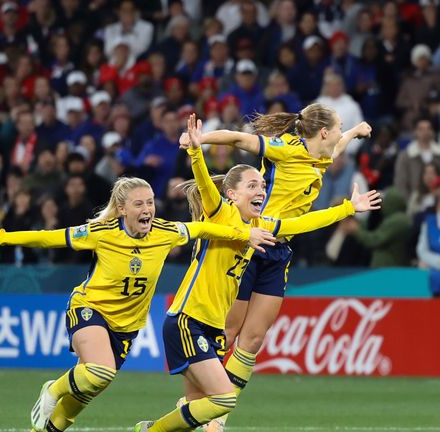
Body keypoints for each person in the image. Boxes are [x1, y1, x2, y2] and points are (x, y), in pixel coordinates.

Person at [133, 115, 381, 432]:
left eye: (261, 184)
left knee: (253, 339)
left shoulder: (323, 155)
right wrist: (199, 142)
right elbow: (238, 140)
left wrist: (357, 135)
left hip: (276, 245)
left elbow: (302, 222)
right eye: (255, 185)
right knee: (229, 332)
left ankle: (215, 416)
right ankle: (204, 406)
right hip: (247, 241)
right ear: (322, 132)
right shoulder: (285, 150)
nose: (262, 188)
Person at [0, 176, 277, 432]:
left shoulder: (165, 232)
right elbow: (48, 238)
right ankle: (52, 389)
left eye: (150, 202)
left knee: (86, 393)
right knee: (100, 371)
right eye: (139, 204)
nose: (147, 209)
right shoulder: (101, 233)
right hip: (89, 308)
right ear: (121, 209)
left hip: (127, 327)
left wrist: (243, 233)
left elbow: (203, 229)